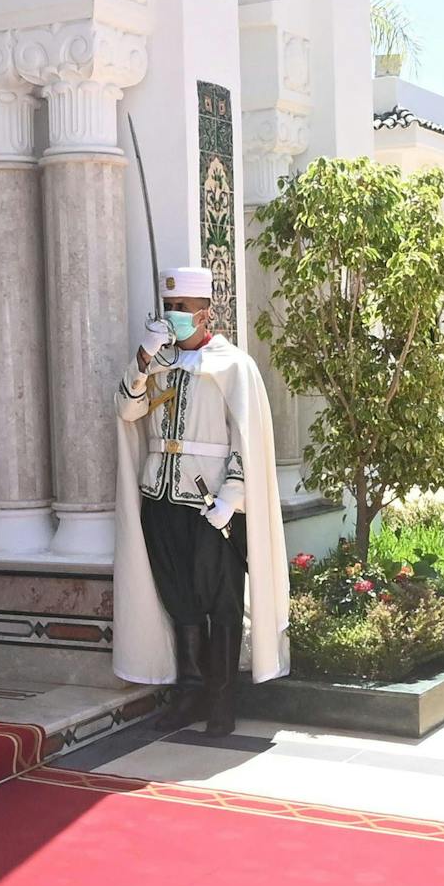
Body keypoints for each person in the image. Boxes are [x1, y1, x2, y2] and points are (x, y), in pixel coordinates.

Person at [114, 266, 289, 735]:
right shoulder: (158, 363)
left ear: (206, 313)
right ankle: (190, 692)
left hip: (209, 504)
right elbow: (128, 410)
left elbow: (244, 438)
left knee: (221, 600)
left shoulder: (234, 365)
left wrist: (233, 496)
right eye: (168, 309)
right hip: (160, 496)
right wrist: (143, 358)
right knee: (180, 600)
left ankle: (222, 698)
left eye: (182, 310)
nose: (174, 317)